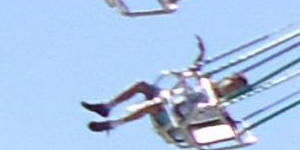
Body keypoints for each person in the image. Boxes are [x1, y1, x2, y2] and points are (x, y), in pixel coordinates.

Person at [83, 58, 252, 138]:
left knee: (156, 104)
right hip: (171, 101)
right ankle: (107, 106)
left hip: (175, 118)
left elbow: (223, 121)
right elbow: (193, 74)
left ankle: (113, 124)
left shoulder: (219, 105)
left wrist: (230, 124)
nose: (231, 87)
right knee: (142, 85)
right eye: (232, 83)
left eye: (235, 88)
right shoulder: (206, 83)